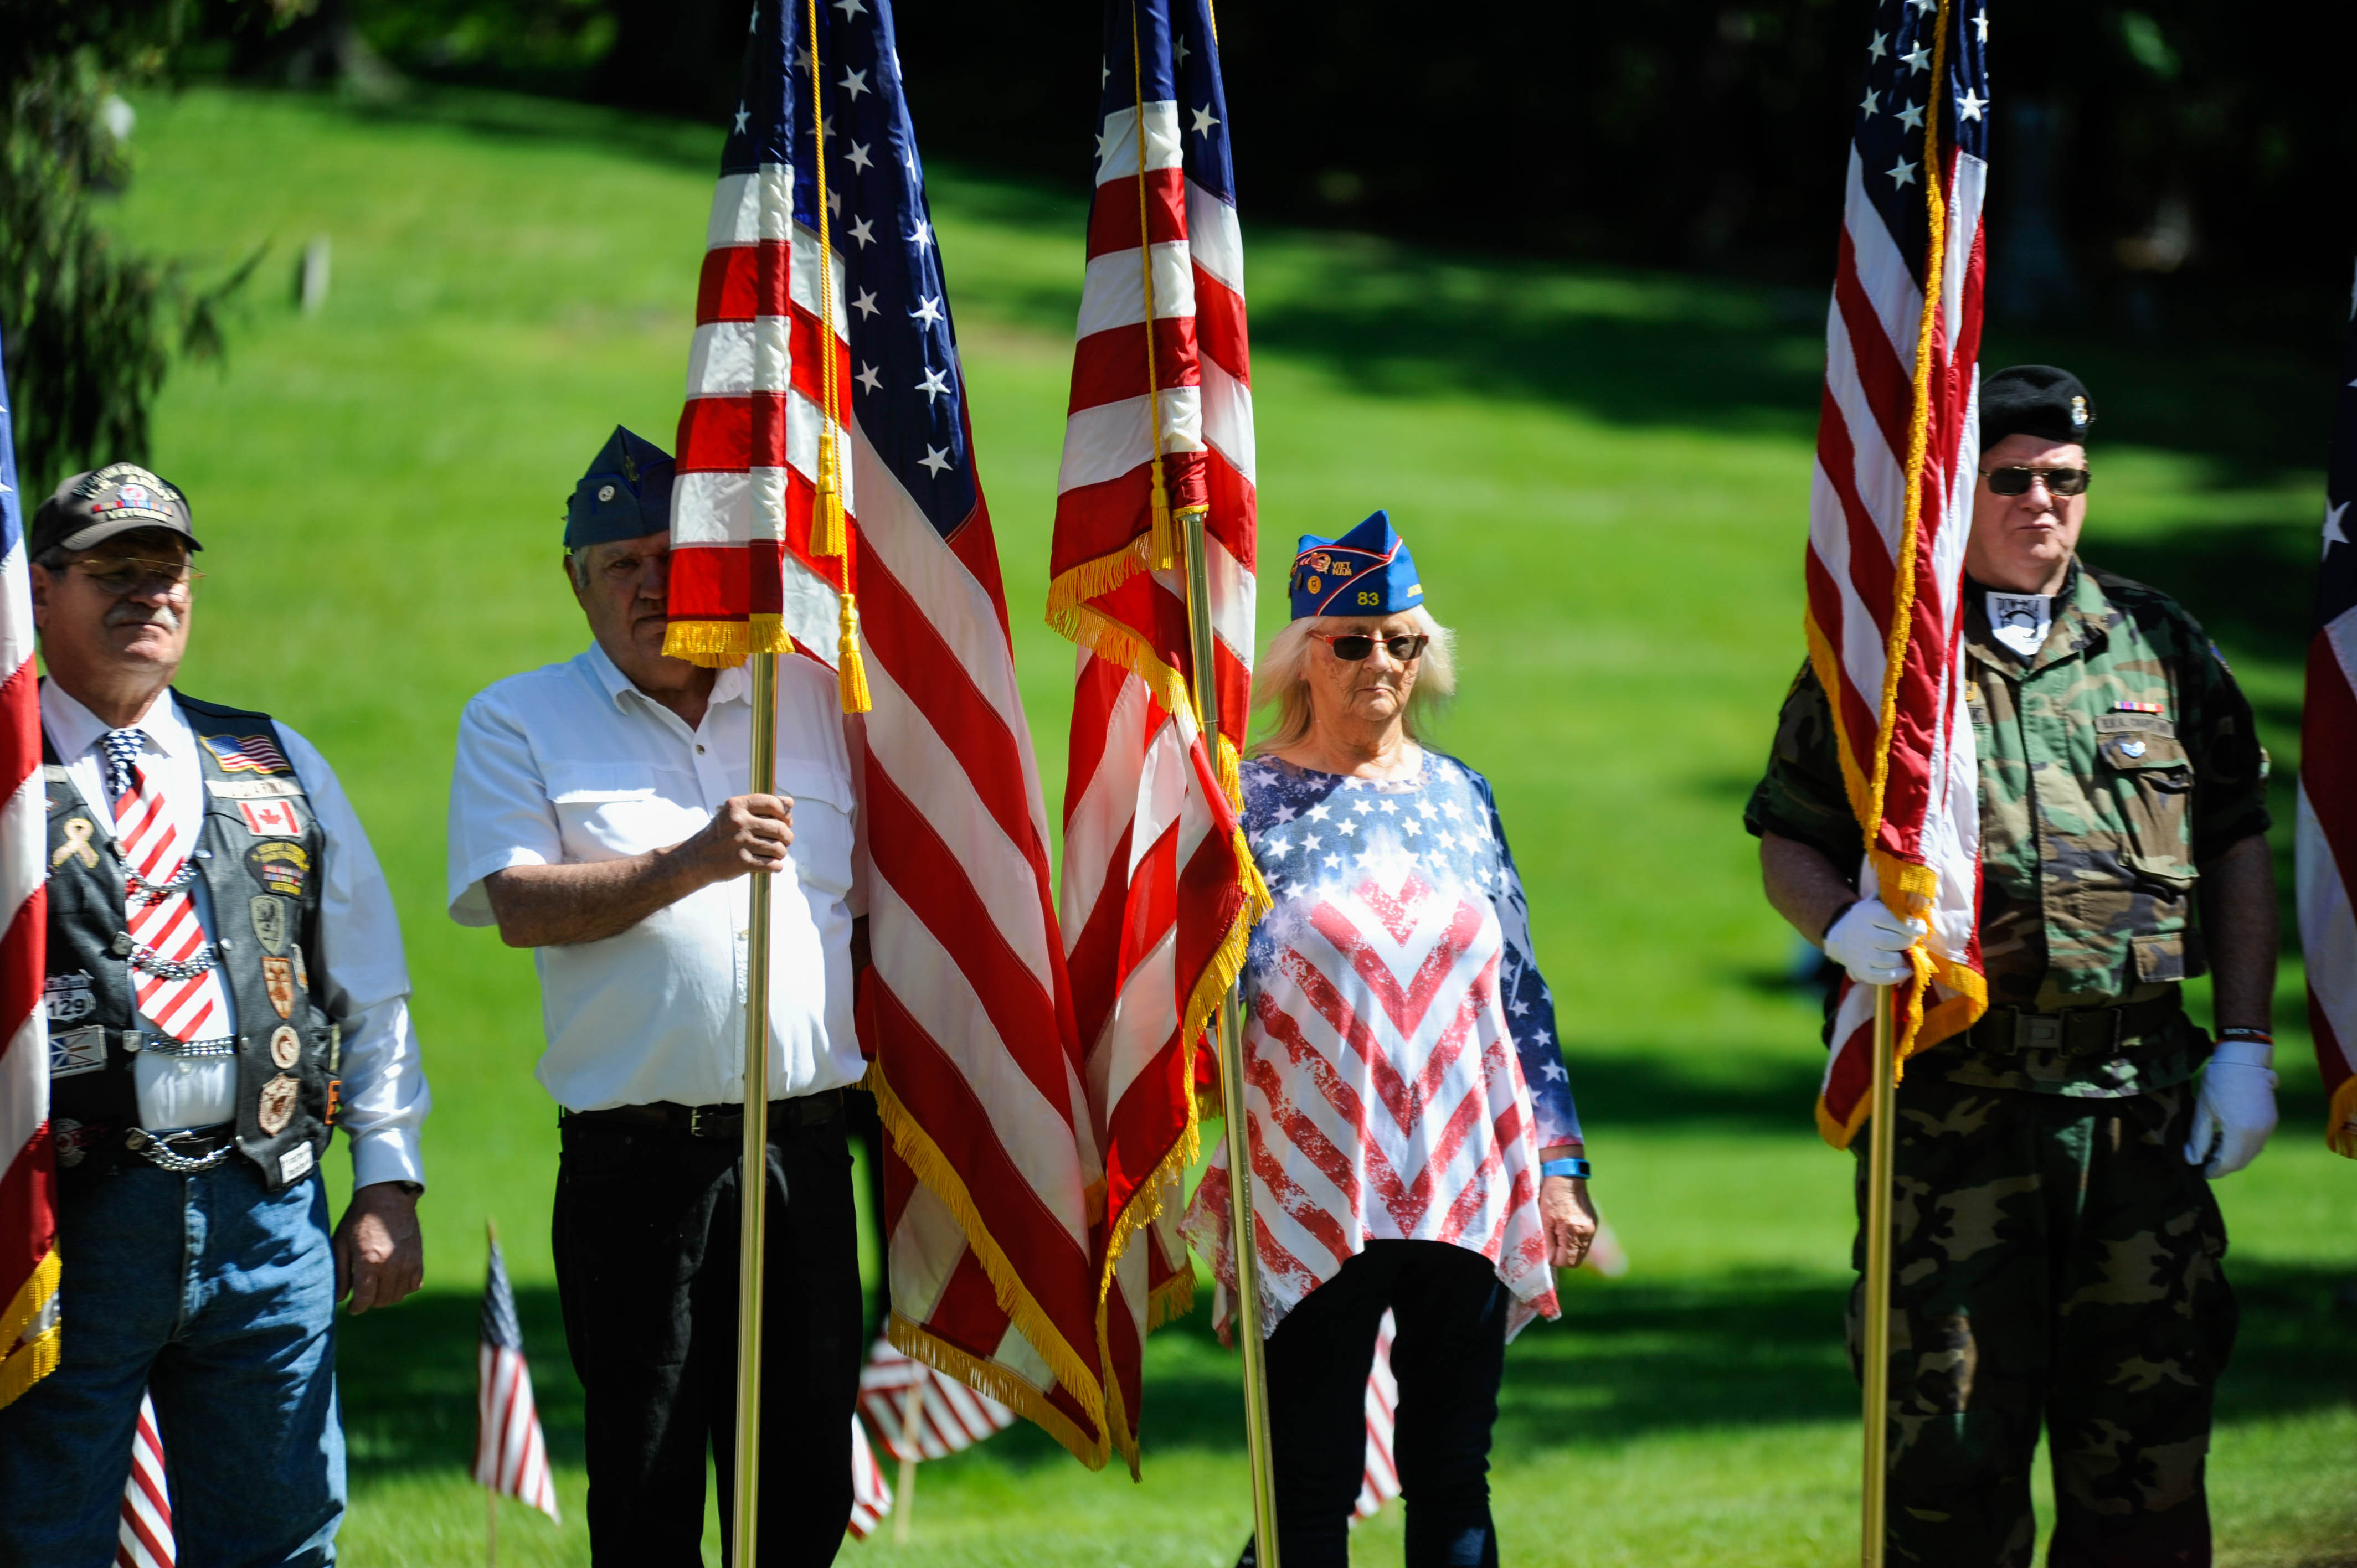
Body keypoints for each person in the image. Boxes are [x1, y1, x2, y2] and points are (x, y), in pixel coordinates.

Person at [1746, 365, 2278, 1566]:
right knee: (1946, 1463)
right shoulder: (1890, 664)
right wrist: (1835, 926)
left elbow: (2238, 842)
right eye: (2013, 479)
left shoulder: (2155, 641)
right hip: (1954, 1118)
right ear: (1957, 490)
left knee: (2145, 1465)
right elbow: (1789, 834)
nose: (2044, 501)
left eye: (2066, 480)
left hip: (2137, 1114)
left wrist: (2245, 1045)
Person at [444, 427, 864, 1565]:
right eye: (619, 563)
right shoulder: (517, 719)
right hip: (639, 1168)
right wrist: (691, 861)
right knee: (648, 1483)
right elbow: (521, 905)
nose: (649, 584)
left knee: (806, 1490)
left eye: (672, 558)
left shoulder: (810, 706)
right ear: (573, 581)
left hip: (805, 1155)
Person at [0, 463, 430, 1566]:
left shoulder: (274, 761)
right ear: (39, 593)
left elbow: (368, 987)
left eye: (168, 568)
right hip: (61, 1222)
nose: (150, 591)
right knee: (40, 1537)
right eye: (114, 570)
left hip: (266, 1217)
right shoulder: (5, 779)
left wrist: (386, 1176)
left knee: (280, 1540)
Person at [1183, 510, 1596, 1568]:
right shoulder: (1240, 799)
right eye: (1352, 642)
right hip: (1306, 1173)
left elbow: (1520, 993)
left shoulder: (1463, 797)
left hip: (1467, 1172)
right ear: (1301, 657)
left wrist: (1559, 1168)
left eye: (1404, 642)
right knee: (1307, 1483)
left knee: (1454, 1472)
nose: (1382, 665)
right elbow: (1186, 988)